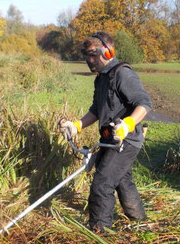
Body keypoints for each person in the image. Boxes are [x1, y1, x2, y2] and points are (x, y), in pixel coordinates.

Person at [60, 31, 152, 232]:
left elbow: (144, 104)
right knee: (122, 179)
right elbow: (96, 109)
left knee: (101, 185)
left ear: (108, 52)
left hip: (126, 141)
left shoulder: (123, 74)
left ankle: (100, 235)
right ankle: (140, 221)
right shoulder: (101, 78)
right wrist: (76, 126)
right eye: (88, 55)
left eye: (94, 54)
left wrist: (128, 124)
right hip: (109, 140)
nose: (90, 60)